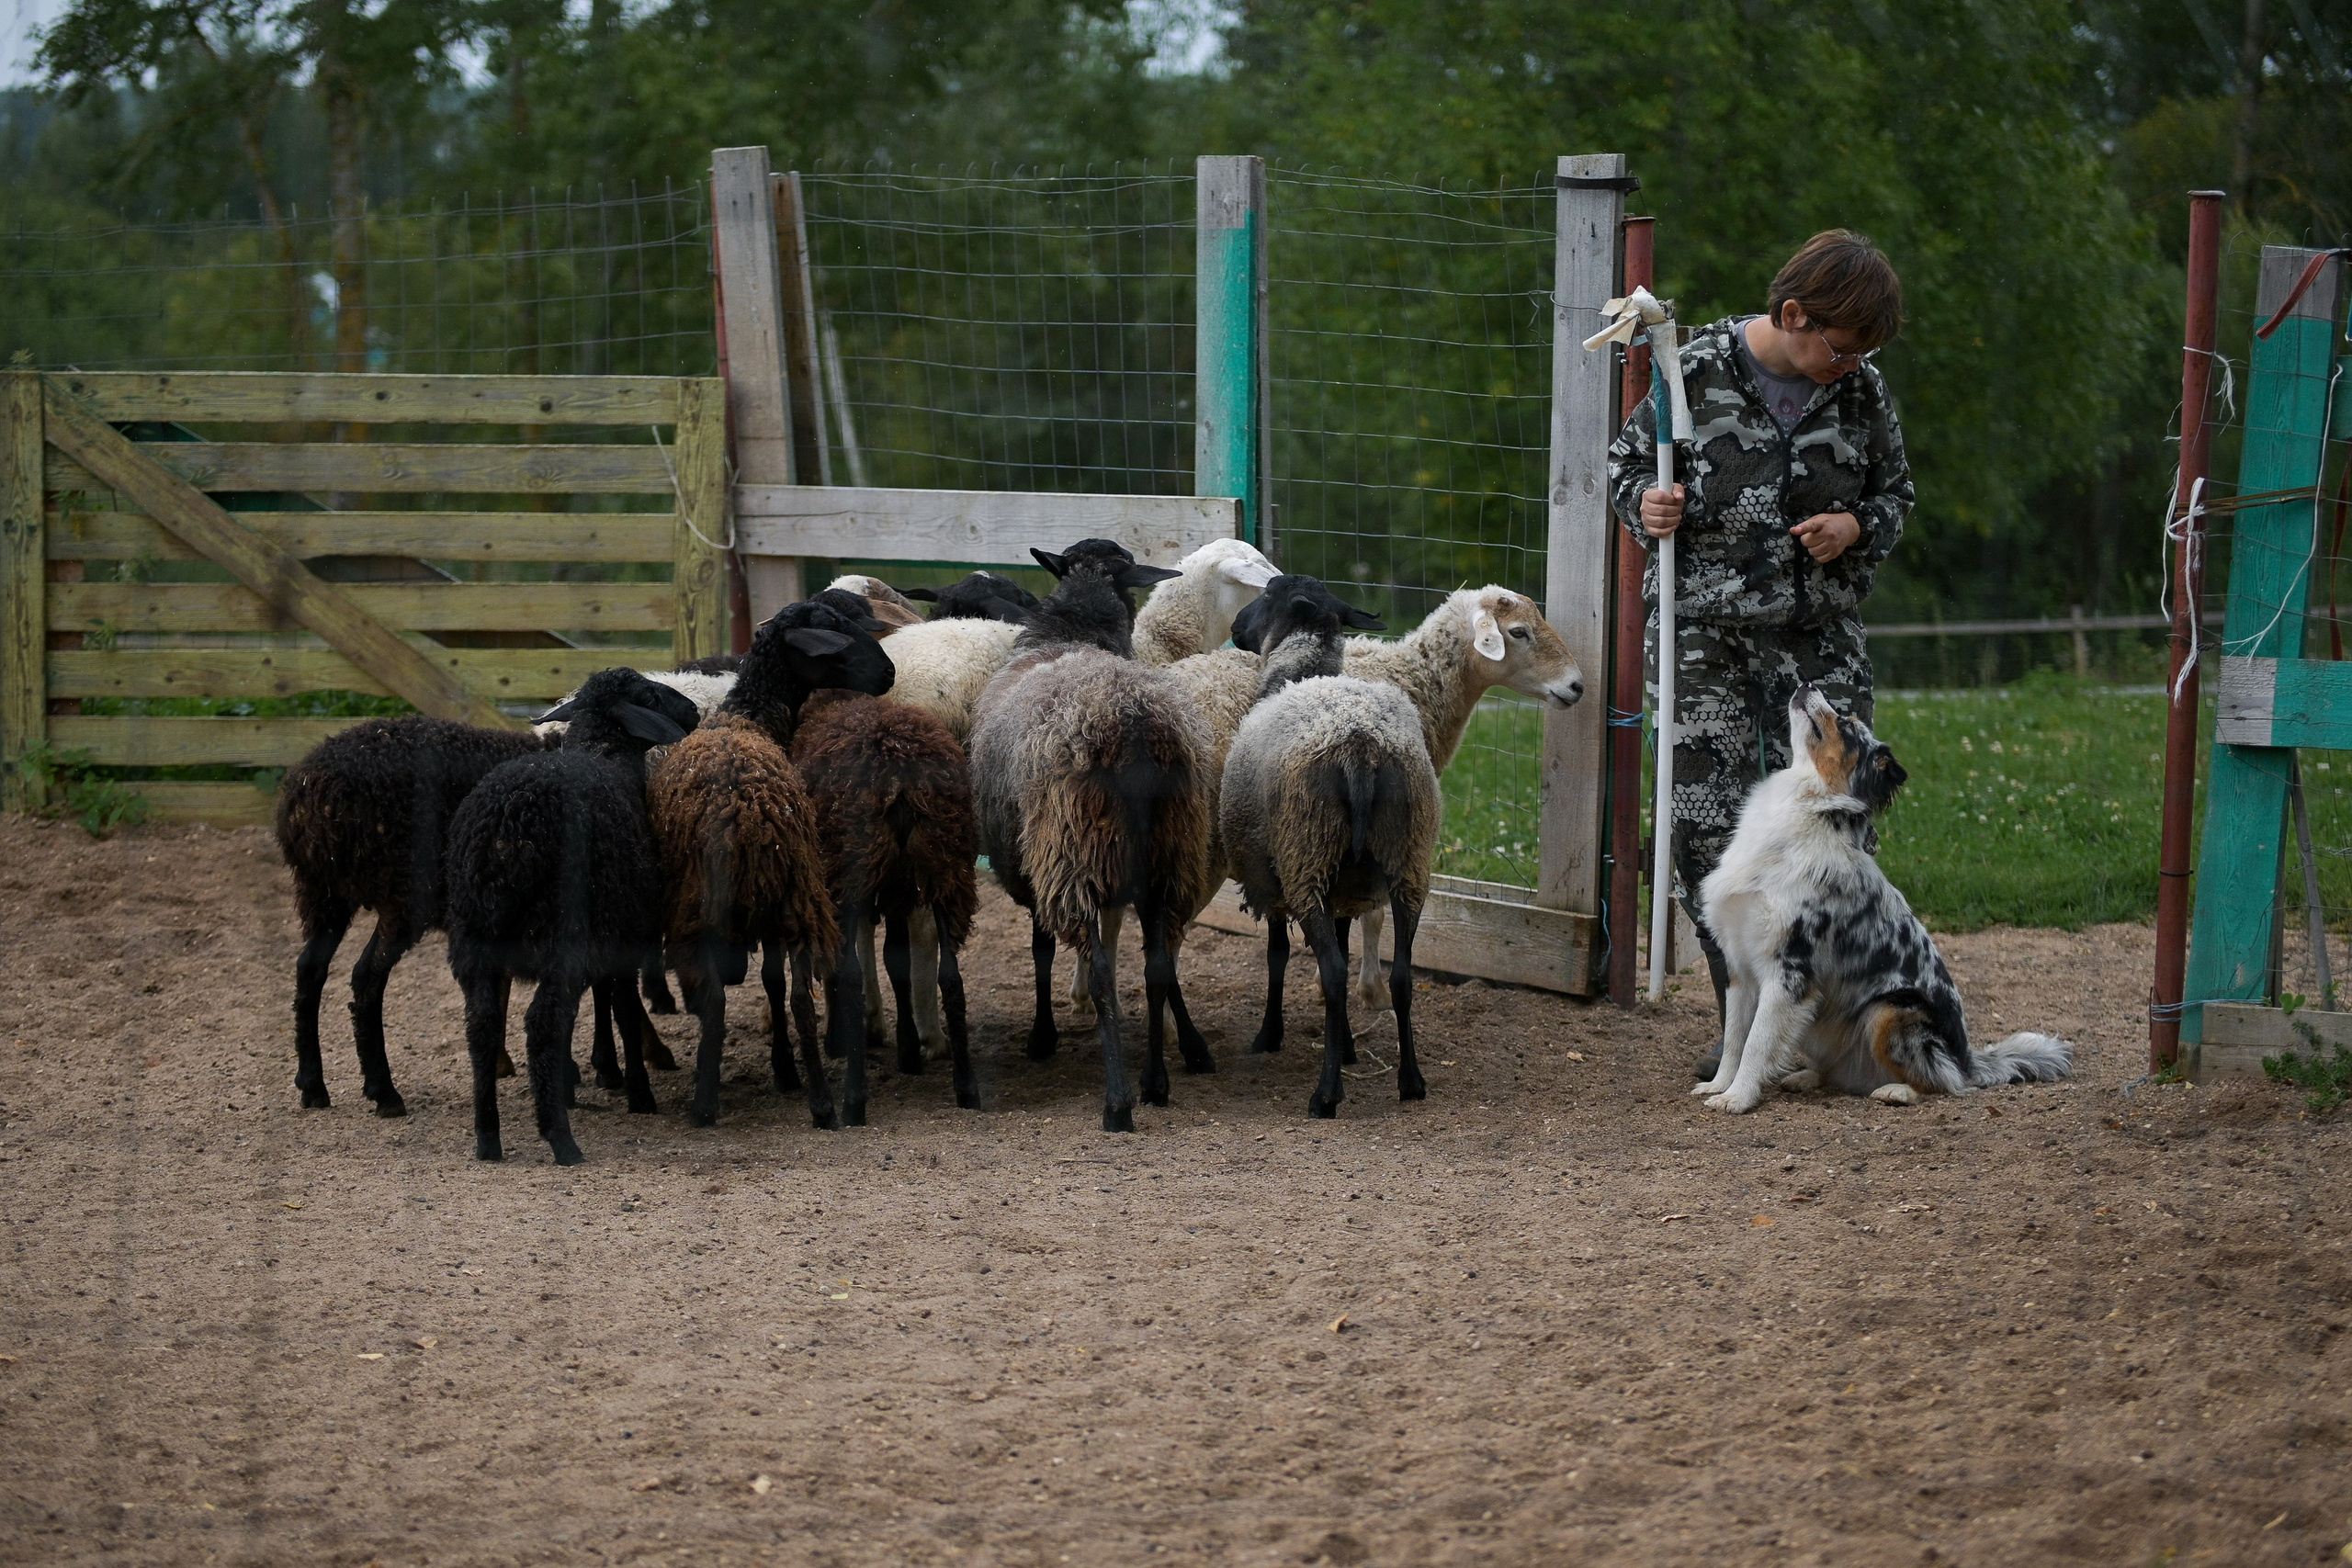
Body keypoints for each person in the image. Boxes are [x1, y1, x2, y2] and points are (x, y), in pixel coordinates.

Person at [1606, 229, 1915, 1076]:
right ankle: (1740, 1025)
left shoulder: (1862, 392)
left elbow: (1897, 492)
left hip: (1818, 641)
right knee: (1705, 831)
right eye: (1842, 348)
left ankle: (1835, 1023)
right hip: (1701, 634)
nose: (1850, 366)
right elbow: (1626, 465)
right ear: (1792, 315)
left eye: (1865, 354)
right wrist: (1649, 508)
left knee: (1834, 830)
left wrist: (1858, 524)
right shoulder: (1692, 368)